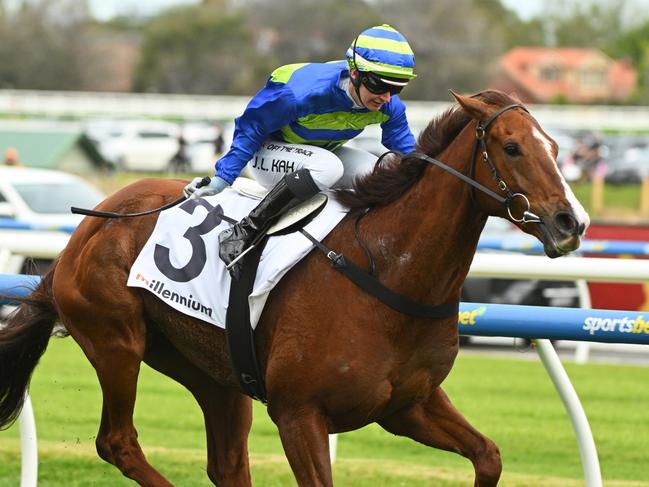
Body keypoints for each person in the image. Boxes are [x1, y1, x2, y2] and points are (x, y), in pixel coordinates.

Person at [184, 24, 417, 277]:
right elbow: (250, 129)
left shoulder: (390, 106)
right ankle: (245, 230)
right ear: (354, 73)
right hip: (268, 153)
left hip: (318, 155)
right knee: (328, 167)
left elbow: (410, 154)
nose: (386, 97)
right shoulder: (298, 94)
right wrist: (221, 181)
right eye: (379, 86)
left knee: (378, 170)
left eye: (396, 88)